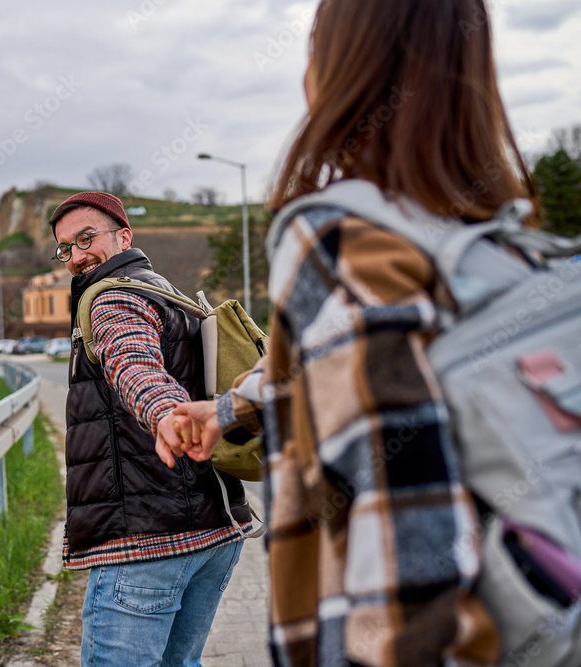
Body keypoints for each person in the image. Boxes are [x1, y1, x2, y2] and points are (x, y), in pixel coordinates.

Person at [156, 0, 537, 665]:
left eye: (315, 48)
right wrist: (224, 410)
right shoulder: (508, 247)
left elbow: (410, 545)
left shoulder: (338, 238)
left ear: (341, 73)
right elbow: (351, 370)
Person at [50, 191, 254, 666]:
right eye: (65, 248)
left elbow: (135, 366)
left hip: (146, 542)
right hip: (214, 533)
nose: (76, 255)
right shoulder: (164, 291)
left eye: (86, 238)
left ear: (124, 236)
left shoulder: (112, 298)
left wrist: (167, 416)